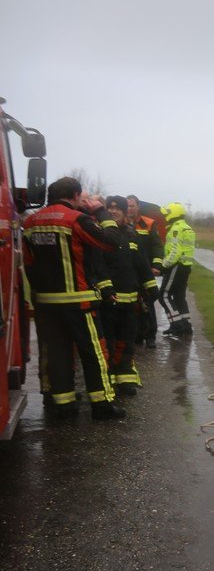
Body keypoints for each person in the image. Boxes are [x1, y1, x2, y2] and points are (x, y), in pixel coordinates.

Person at [22, 177, 126, 420]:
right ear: (76, 195)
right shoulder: (76, 220)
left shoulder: (30, 222)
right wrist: (99, 211)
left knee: (57, 354)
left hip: (46, 304)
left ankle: (64, 405)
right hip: (79, 303)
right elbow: (111, 242)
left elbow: (28, 262)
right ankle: (102, 406)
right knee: (94, 353)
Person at [100, 196, 158, 394]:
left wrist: (151, 287)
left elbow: (142, 264)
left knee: (127, 342)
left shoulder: (133, 236)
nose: (114, 211)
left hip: (130, 303)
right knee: (108, 343)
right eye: (110, 208)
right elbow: (95, 266)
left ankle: (125, 381)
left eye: (118, 208)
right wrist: (105, 288)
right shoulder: (102, 234)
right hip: (107, 302)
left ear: (126, 212)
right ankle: (108, 380)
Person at [126, 195, 165, 346]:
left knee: (147, 301)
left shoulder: (148, 223)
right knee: (130, 303)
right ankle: (136, 334)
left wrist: (156, 266)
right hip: (127, 271)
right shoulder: (118, 223)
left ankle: (150, 335)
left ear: (138, 207)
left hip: (144, 270)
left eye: (132, 206)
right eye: (127, 206)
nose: (129, 209)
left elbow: (156, 246)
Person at [159, 201, 195, 336]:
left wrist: (163, 266)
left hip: (176, 266)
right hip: (185, 267)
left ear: (172, 214)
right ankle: (186, 326)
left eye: (166, 214)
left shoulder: (175, 228)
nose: (164, 217)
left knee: (163, 295)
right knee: (179, 296)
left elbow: (175, 252)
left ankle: (177, 325)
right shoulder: (187, 227)